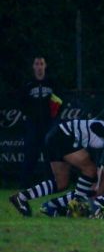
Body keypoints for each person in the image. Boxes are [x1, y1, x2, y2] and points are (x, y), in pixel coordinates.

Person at [19, 57, 61, 188]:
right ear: (33, 67)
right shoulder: (28, 84)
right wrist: (29, 115)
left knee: (49, 154)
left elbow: (60, 101)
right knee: (31, 154)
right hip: (33, 124)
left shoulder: (52, 83)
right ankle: (25, 185)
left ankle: (50, 184)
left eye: (41, 64)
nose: (39, 67)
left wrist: (55, 115)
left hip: (48, 124)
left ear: (45, 66)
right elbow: (22, 103)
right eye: (37, 64)